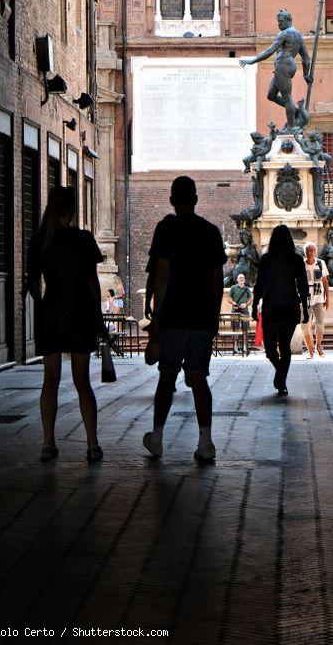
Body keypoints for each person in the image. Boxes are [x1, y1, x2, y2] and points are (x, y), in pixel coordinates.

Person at [142, 176, 226, 463]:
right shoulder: (211, 232)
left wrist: (155, 315)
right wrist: (214, 317)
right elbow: (218, 280)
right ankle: (205, 442)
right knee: (199, 378)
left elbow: (161, 274)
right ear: (196, 199)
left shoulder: (165, 230)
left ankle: (157, 437)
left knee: (167, 377)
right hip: (202, 317)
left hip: (174, 317)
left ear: (171, 200)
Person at [27, 186, 107, 464]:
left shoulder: (40, 240)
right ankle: (92, 445)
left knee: (50, 381)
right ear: (73, 210)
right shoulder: (83, 240)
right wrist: (99, 319)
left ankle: (48, 443)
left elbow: (33, 285)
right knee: (82, 382)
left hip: (52, 314)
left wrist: (43, 308)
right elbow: (91, 282)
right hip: (80, 313)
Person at [252, 225, 309, 397]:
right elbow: (303, 286)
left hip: (273, 307)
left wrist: (255, 305)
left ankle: (281, 380)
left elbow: (259, 284)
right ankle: (281, 376)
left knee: (272, 348)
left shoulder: (267, 259)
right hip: (289, 307)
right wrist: (305, 309)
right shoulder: (295, 260)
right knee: (283, 347)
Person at [239, 8, 313, 131]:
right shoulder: (298, 36)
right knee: (271, 95)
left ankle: (291, 126)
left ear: (289, 20)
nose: (279, 24)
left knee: (286, 96)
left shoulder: (284, 33)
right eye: (278, 21)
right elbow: (306, 59)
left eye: (281, 21)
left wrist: (252, 60)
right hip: (287, 66)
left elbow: (270, 50)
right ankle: (294, 111)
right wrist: (306, 75)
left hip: (283, 65)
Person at [302, 242, 329, 357]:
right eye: (308, 250)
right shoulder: (301, 265)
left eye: (312, 250)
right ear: (305, 252)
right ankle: (310, 350)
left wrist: (327, 299)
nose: (310, 253)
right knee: (304, 326)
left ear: (315, 251)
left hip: (319, 298)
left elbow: (325, 282)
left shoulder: (321, 263)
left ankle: (318, 345)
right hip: (305, 299)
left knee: (320, 323)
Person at [228, 272, 252, 354]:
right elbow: (228, 298)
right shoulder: (233, 288)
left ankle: (245, 347)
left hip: (245, 312)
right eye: (240, 278)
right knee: (235, 329)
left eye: (243, 278)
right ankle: (235, 348)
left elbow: (250, 300)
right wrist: (233, 302)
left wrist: (246, 304)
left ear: (244, 280)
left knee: (245, 329)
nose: (241, 279)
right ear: (237, 279)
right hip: (235, 311)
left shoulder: (247, 289)